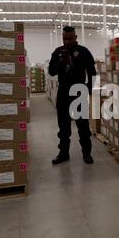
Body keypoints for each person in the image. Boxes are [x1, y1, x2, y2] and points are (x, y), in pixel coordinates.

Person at [48, 26, 96, 165]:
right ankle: (63, 153)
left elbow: (92, 72)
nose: (67, 41)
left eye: (69, 38)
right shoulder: (58, 52)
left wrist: (89, 88)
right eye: (64, 38)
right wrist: (60, 64)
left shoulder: (83, 52)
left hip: (79, 90)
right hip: (63, 92)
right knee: (63, 126)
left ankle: (86, 153)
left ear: (75, 37)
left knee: (83, 126)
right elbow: (51, 72)